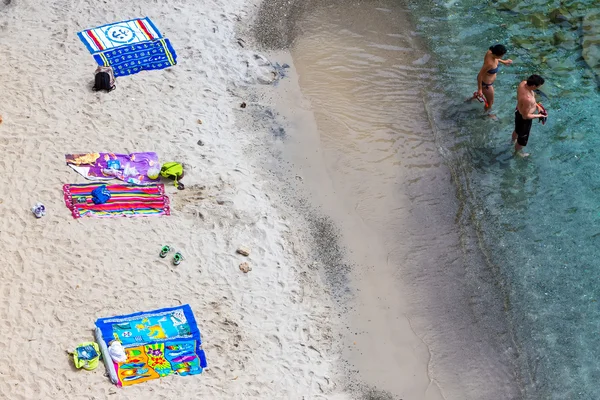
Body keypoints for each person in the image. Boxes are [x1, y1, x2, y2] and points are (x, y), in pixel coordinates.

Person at [512, 74, 546, 157]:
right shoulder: (528, 99)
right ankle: (517, 153)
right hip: (524, 120)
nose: (538, 88)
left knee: (517, 129)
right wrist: (539, 116)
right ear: (534, 86)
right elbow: (525, 116)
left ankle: (512, 141)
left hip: (518, 111)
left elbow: (525, 105)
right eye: (538, 86)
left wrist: (537, 106)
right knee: (522, 139)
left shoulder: (523, 83)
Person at [475, 44, 513, 110]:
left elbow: (496, 59)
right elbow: (480, 75)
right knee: (490, 103)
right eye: (501, 55)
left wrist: (504, 61)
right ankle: (486, 115)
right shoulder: (489, 64)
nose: (502, 56)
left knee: (481, 96)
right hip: (486, 85)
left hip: (486, 83)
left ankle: (469, 100)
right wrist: (480, 89)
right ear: (496, 54)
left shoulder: (490, 52)